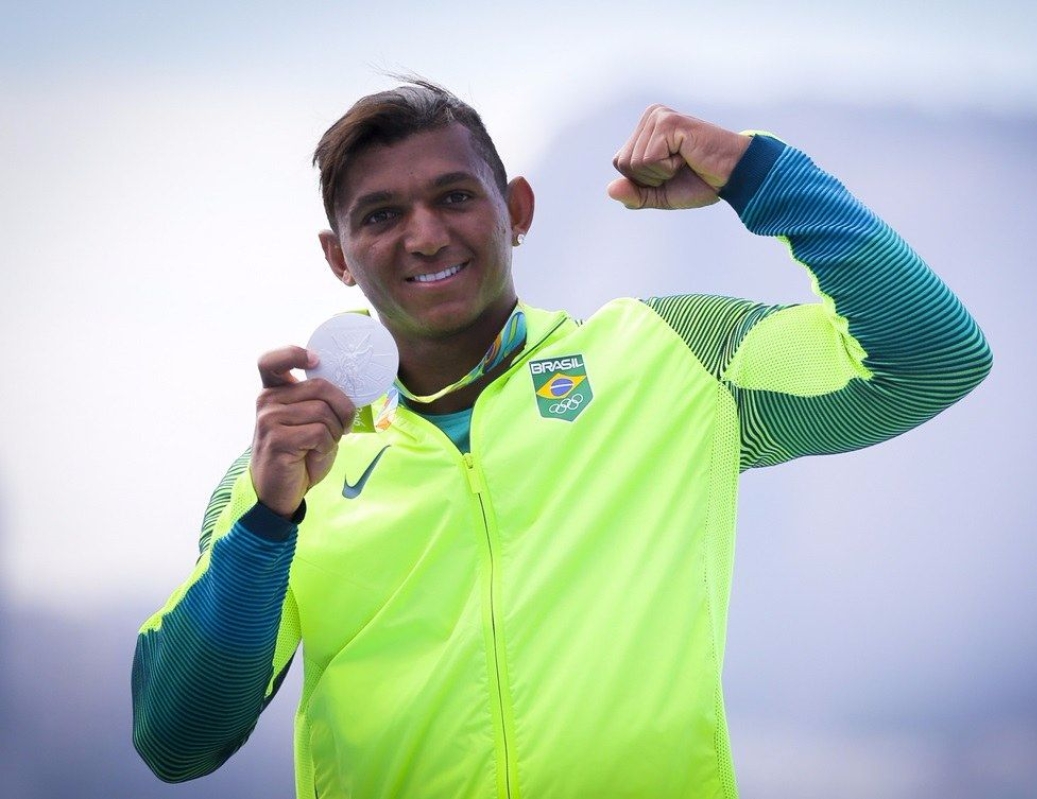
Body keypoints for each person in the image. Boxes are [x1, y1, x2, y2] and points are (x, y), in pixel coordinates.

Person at [132, 77, 991, 798]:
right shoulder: (280, 475)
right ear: (338, 255)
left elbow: (931, 357)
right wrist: (272, 517)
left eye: (455, 196)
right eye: (382, 214)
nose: (425, 233)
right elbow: (177, 739)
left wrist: (755, 172)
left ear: (517, 210)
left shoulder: (666, 362)